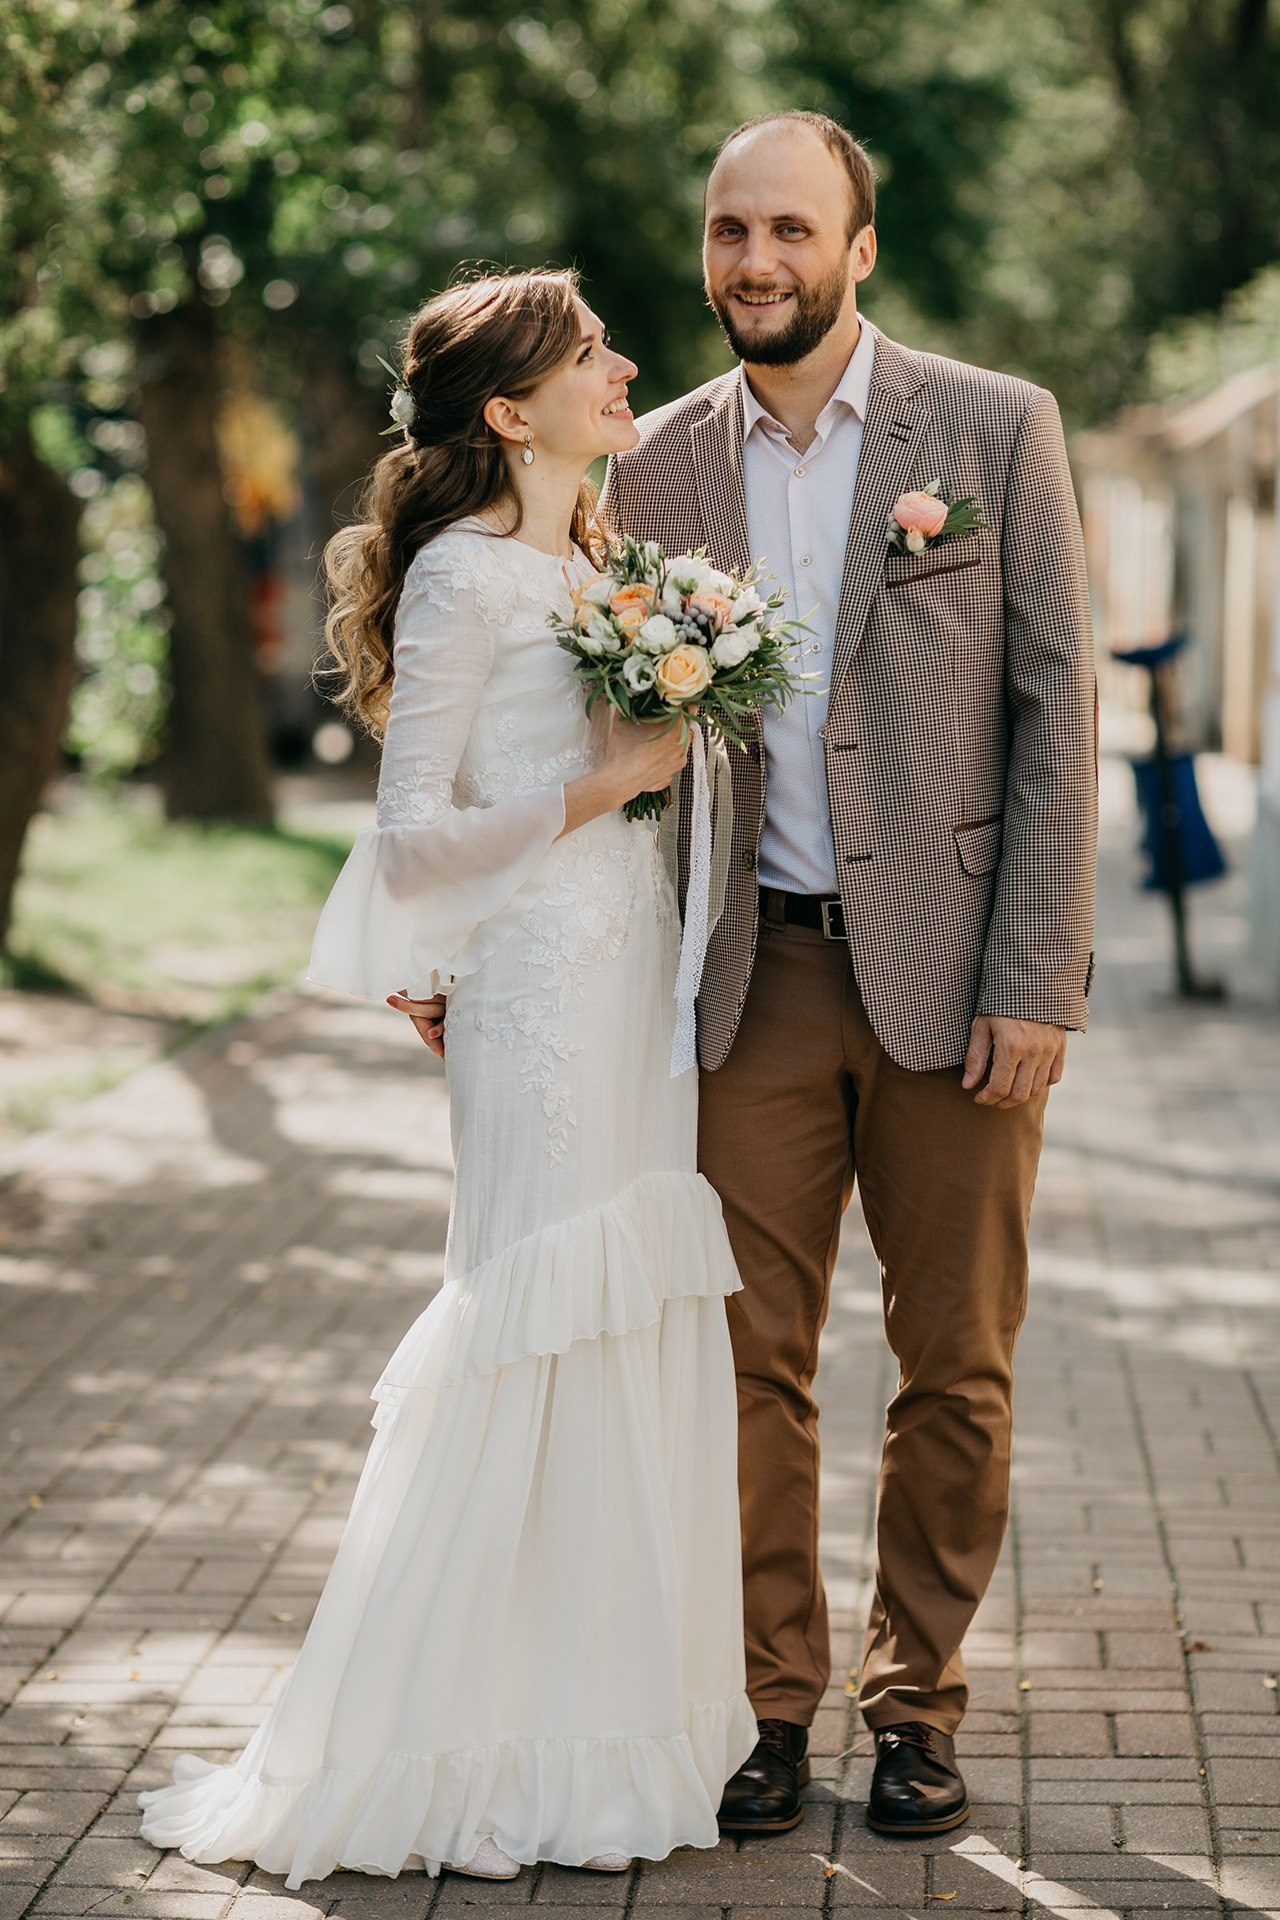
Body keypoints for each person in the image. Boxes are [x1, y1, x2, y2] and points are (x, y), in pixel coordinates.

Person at [137, 269, 757, 1890]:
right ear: (509, 411)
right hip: (539, 996)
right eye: (590, 356)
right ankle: (447, 1735)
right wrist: (599, 788)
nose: (627, 370)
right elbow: (411, 835)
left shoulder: (606, 562)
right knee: (529, 1320)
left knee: (623, 1314)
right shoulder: (468, 581)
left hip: (632, 987)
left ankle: (606, 1720)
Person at [600, 110, 1098, 1839]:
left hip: (962, 984)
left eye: (792, 231)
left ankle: (918, 1705)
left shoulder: (992, 428)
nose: (758, 262)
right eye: (733, 231)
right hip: (750, 985)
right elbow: (609, 741)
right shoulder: (648, 465)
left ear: (859, 248)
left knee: (958, 1361)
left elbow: (1057, 721)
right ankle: (766, 1703)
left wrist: (1035, 975)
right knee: (744, 1361)